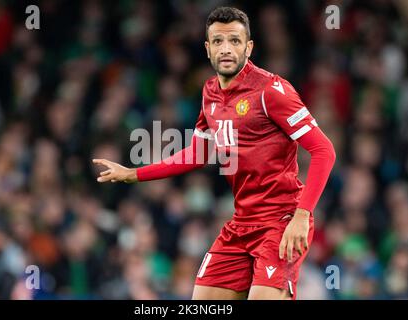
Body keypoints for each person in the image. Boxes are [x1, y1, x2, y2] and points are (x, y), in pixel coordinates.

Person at [92, 7, 336, 300]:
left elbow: (324, 150)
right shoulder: (209, 92)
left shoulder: (271, 90)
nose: (226, 49)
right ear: (208, 49)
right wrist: (134, 173)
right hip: (241, 223)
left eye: (234, 41)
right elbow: (197, 153)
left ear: (249, 47)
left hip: (281, 222)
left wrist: (302, 215)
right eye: (218, 42)